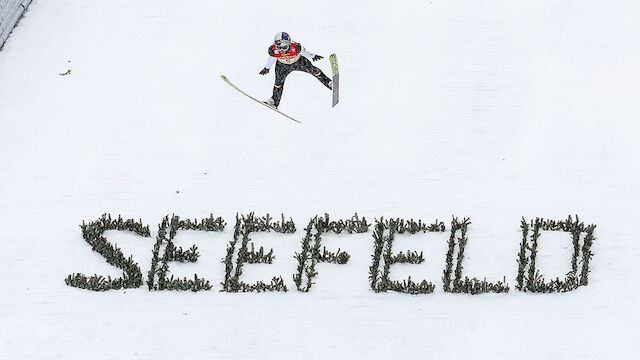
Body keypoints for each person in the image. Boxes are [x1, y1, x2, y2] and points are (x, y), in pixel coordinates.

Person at [259, 32, 332, 109]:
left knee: (314, 71)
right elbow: (272, 58)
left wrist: (313, 56)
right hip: (282, 65)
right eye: (279, 48)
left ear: (289, 44)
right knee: (278, 83)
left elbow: (305, 52)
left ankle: (329, 83)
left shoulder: (296, 47)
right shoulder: (272, 49)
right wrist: (267, 68)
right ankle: (274, 101)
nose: (281, 50)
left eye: (284, 48)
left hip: (298, 62)